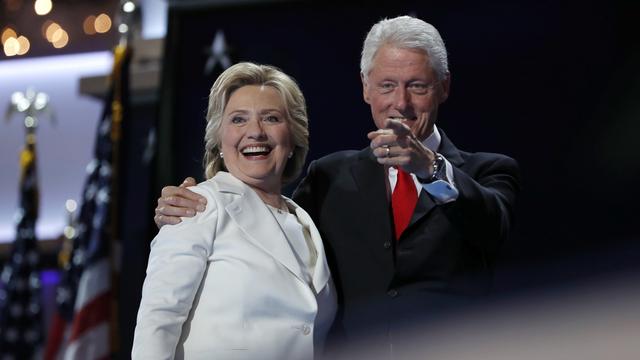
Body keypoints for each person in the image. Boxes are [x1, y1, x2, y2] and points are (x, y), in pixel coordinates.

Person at [154, 16, 519, 356]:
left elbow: (492, 227)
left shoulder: (488, 171)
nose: (401, 102)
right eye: (387, 86)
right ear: (366, 89)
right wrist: (191, 207)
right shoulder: (329, 176)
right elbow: (266, 232)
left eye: (417, 86)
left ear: (443, 87)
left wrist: (430, 168)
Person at [133, 62, 337, 359]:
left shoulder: (306, 222)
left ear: (293, 138)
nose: (255, 132)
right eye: (239, 120)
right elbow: (158, 320)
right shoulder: (198, 205)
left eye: (271, 118)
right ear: (218, 140)